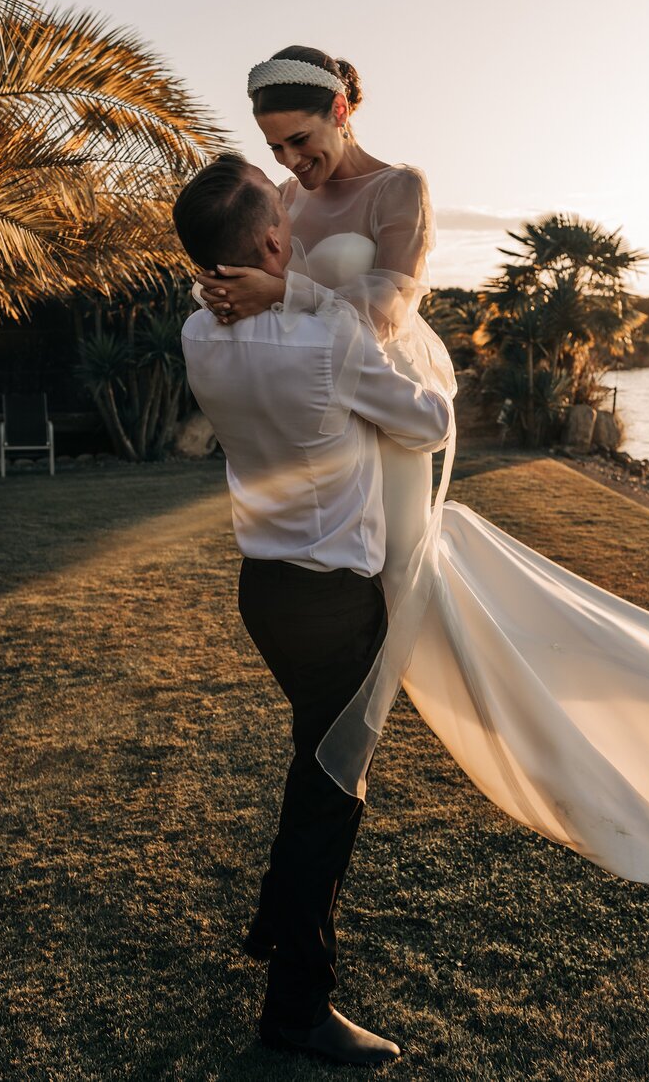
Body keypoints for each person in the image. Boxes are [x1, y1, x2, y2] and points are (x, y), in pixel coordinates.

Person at [196, 45, 649, 902]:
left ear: (343, 110)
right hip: (335, 431)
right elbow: (276, 317)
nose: (292, 165)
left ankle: (296, 898)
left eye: (301, 140)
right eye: (276, 152)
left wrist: (284, 297)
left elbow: (379, 311)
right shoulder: (288, 204)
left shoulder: (398, 190)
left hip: (393, 420)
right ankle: (295, 896)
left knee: (365, 673)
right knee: (343, 690)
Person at [174, 154, 452, 1065]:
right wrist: (307, 299)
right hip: (336, 601)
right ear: (268, 242)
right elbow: (427, 421)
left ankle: (267, 922)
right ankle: (298, 1009)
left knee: (311, 764)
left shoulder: (196, 335)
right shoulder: (327, 333)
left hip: (265, 590)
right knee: (330, 796)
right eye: (284, 222)